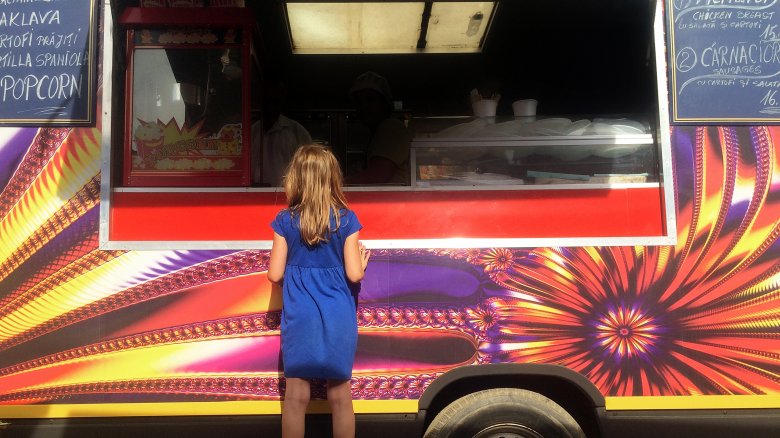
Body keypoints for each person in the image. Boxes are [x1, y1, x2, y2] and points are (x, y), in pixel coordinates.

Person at [267, 144, 370, 438]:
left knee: (296, 396)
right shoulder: (347, 219)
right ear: (332, 179)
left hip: (299, 316)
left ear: (295, 178)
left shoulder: (285, 221)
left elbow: (275, 273)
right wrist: (361, 264)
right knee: (340, 395)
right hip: (338, 316)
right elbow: (353, 273)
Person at [346, 71, 412, 185]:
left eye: (371, 100)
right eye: (359, 102)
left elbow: (377, 176)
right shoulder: (377, 133)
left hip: (392, 201)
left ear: (385, 104)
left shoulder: (391, 128)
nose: (364, 107)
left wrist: (336, 187)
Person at [251, 76, 312, 186]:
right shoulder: (251, 132)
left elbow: (310, 170)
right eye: (266, 100)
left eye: (275, 100)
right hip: (251, 195)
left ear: (282, 101)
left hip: (286, 196)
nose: (270, 106)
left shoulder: (298, 132)